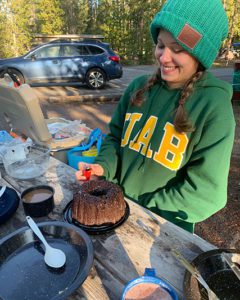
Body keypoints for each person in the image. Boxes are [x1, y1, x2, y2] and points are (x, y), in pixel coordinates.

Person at [76, 0, 235, 233]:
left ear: (200, 55)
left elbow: (207, 193)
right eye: (161, 45)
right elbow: (115, 137)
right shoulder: (139, 88)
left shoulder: (213, 106)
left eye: (178, 49)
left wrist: (144, 205)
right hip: (119, 212)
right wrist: (102, 168)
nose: (164, 57)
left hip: (164, 230)